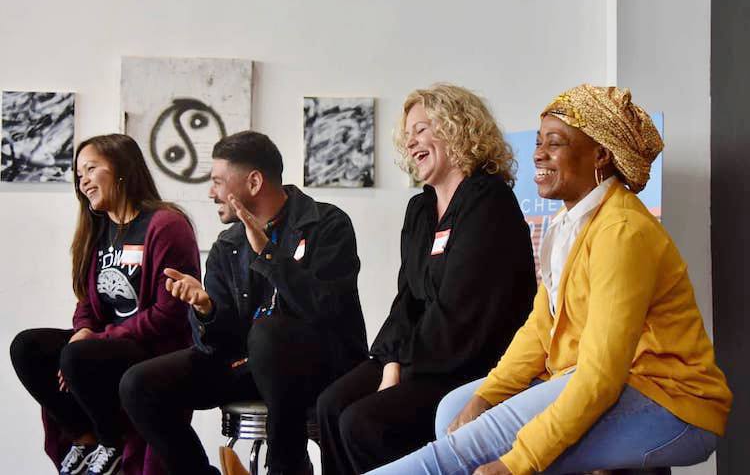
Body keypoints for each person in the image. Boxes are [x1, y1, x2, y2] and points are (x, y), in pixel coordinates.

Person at [365, 85, 733, 475]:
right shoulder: (569, 224)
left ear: (601, 154)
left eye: (554, 143)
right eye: (539, 142)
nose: (537, 153)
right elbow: (541, 329)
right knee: (455, 410)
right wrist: (487, 395)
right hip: (596, 377)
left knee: (459, 454)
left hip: (670, 399)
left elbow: (601, 377)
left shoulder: (622, 231)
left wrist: (516, 464)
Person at [316, 84, 537, 475]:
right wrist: (388, 361)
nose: (410, 140)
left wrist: (402, 366)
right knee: (330, 404)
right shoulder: (420, 209)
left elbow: (463, 312)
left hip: (471, 363)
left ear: (456, 128)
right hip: (424, 352)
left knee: (364, 423)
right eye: (408, 134)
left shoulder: (489, 202)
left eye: (421, 129)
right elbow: (407, 300)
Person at [120, 130, 368, 475]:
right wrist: (206, 310)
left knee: (269, 333)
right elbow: (222, 342)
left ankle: (286, 467)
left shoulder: (328, 224)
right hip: (250, 364)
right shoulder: (228, 243)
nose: (211, 192)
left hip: (319, 368)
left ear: (253, 182)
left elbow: (324, 308)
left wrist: (268, 254)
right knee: (139, 385)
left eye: (218, 181)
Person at [10, 134, 201, 475]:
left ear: (122, 168)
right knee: (28, 347)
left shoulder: (166, 225)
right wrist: (84, 330)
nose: (82, 179)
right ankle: (84, 439)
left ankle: (112, 443)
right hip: (108, 345)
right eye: (78, 173)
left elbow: (169, 315)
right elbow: (86, 300)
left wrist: (98, 339)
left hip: (154, 349)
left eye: (91, 168)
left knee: (76, 355)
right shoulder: (99, 230)